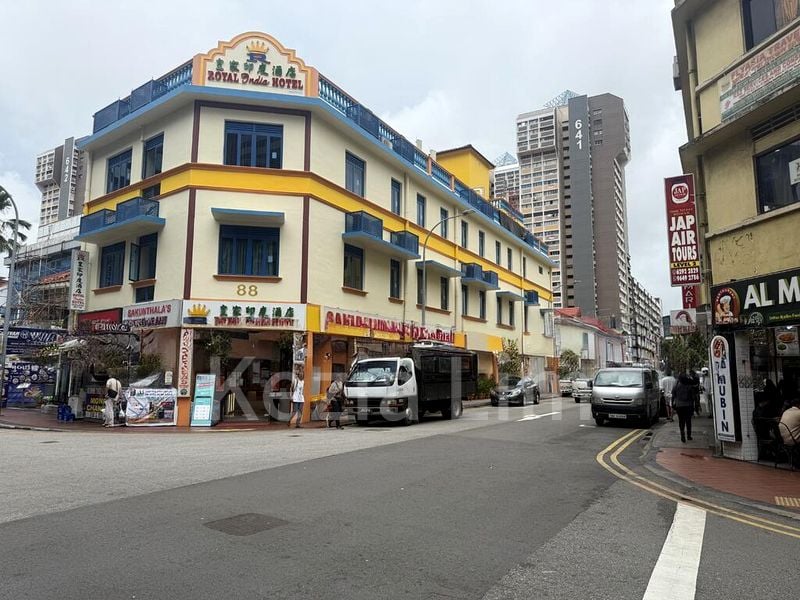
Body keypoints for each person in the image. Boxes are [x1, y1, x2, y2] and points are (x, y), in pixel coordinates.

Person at [672, 372, 696, 443]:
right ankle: (689, 435)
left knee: (681, 421)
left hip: (679, 406)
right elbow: (693, 397)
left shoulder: (676, 386)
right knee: (688, 421)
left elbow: (673, 395)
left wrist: (673, 404)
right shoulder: (689, 386)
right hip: (688, 405)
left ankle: (682, 435)